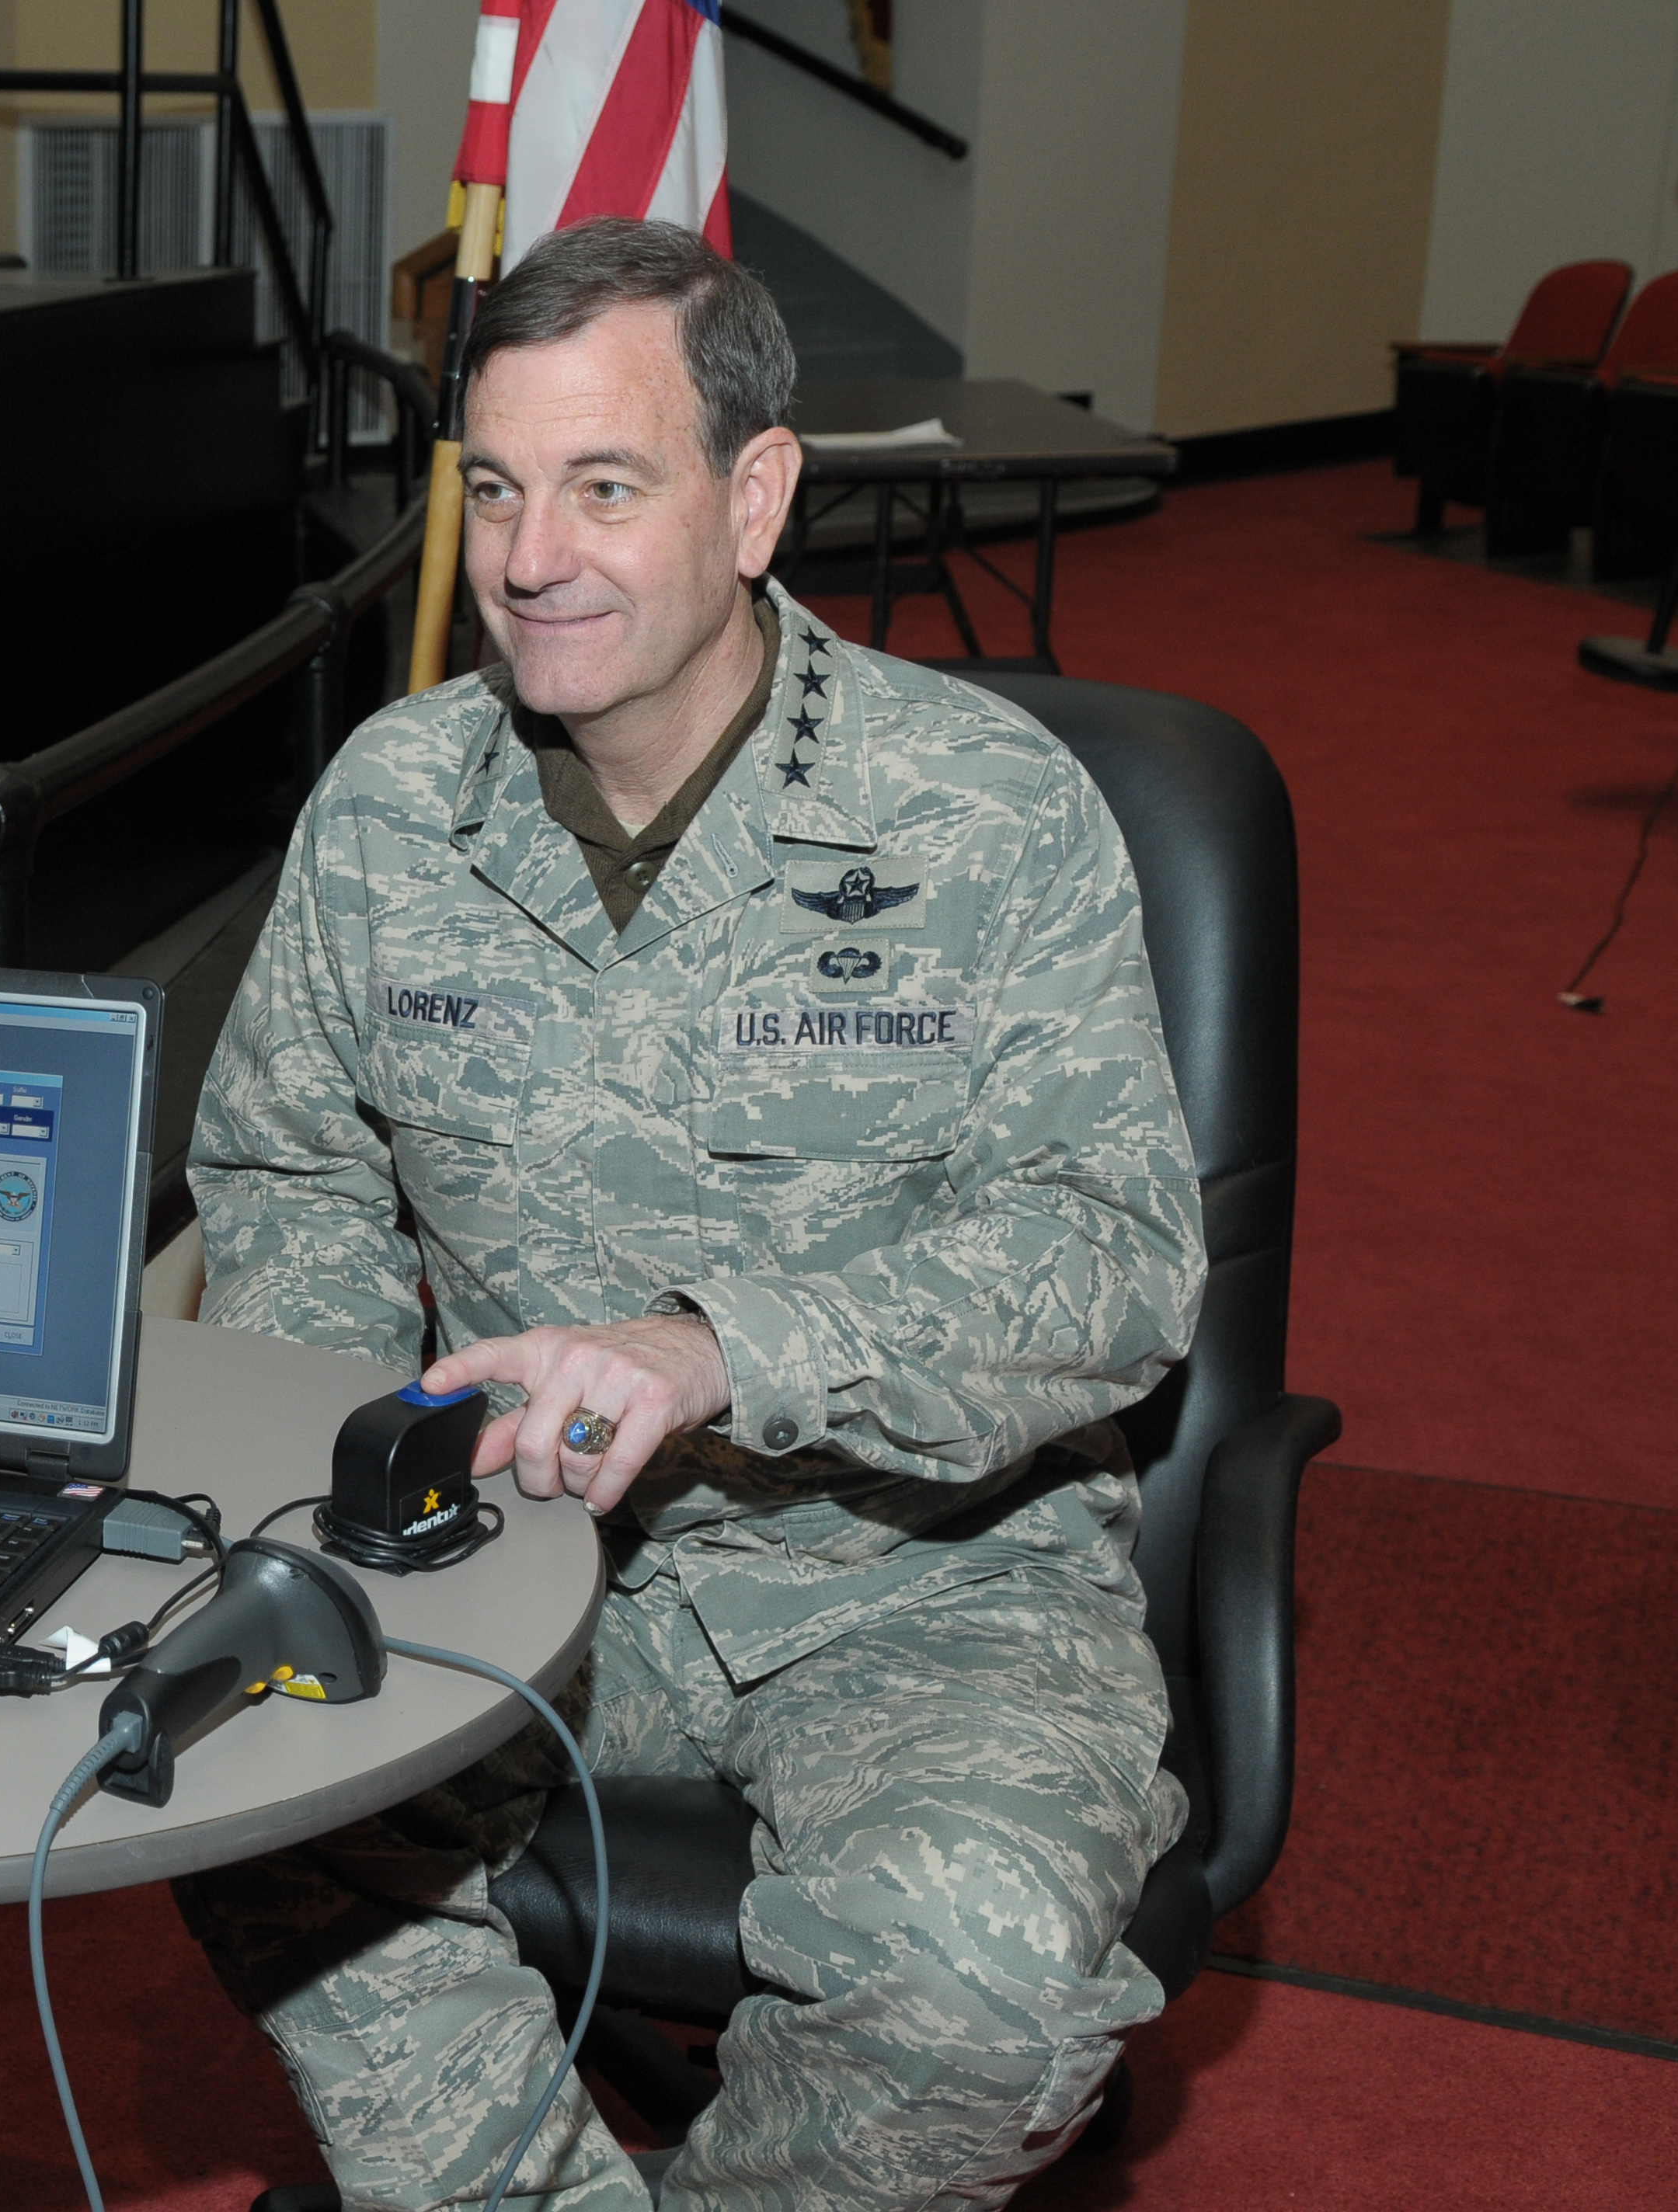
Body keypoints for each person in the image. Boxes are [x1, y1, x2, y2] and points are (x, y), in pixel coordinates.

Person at [180, 218, 1206, 2212]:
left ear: (753, 497)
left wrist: (724, 1349)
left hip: (912, 1572)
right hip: (509, 1546)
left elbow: (1111, 1250)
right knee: (206, 1756)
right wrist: (355, 1440)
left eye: (601, 485)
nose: (527, 555)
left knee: (973, 1980)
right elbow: (290, 1166)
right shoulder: (393, 805)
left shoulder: (982, 808)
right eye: (493, 488)